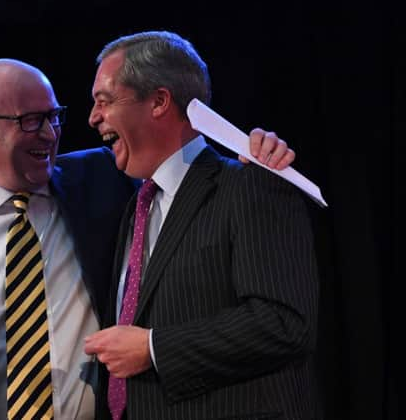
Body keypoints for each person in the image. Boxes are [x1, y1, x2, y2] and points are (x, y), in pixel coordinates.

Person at [0, 58, 296, 420]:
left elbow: (178, 162)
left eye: (53, 116)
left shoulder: (102, 181)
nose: (48, 134)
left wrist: (247, 156)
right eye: (29, 121)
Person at [83, 30, 321, 420]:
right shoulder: (135, 208)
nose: (93, 117)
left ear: (159, 101)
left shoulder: (252, 184)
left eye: (105, 101)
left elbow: (284, 323)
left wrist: (154, 348)